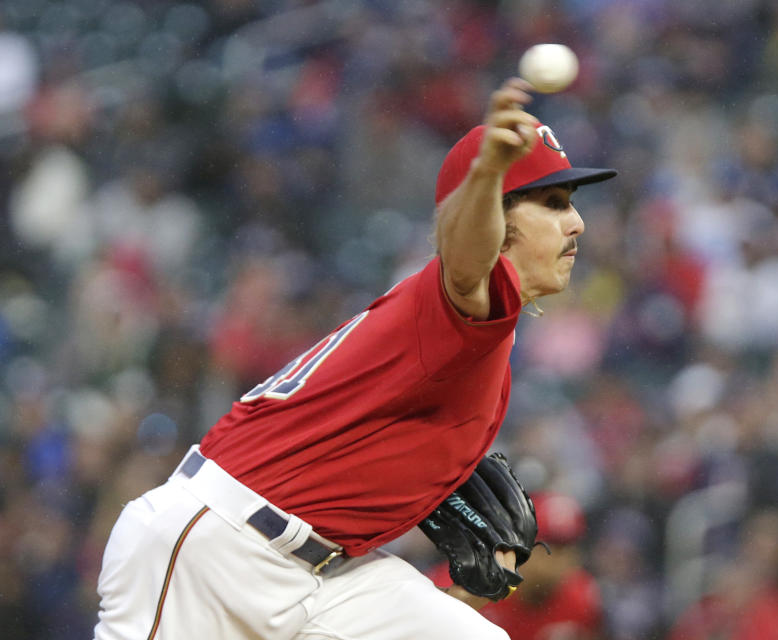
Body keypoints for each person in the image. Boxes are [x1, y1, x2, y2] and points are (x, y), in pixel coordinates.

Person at [92, 77, 616, 640]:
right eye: (555, 203)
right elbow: (463, 262)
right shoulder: (454, 304)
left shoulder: (480, 340)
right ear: (496, 219)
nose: (576, 223)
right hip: (218, 548)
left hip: (330, 575)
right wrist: (486, 176)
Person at [479, 492, 604, 640]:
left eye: (569, 547)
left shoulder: (583, 600)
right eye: (552, 546)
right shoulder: (473, 584)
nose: (562, 560)